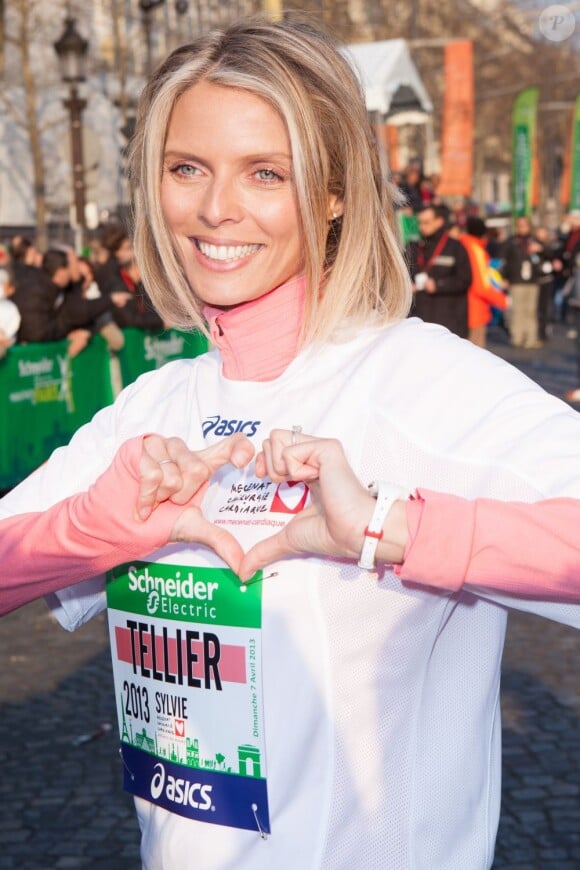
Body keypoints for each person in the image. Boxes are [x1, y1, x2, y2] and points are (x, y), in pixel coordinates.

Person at [4, 15, 580, 868]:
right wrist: (92, 529)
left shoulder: (422, 379)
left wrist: (391, 529)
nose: (213, 208)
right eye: (186, 168)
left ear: (335, 189)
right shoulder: (154, 405)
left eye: (265, 173)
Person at [406, 203, 472, 338]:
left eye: (426, 222)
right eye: (419, 223)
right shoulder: (413, 246)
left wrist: (439, 285)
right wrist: (407, 285)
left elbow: (465, 279)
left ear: (439, 222)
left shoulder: (455, 247)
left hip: (448, 320)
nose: (421, 227)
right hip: (419, 319)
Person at [460, 215, 509, 348]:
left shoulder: (461, 244)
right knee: (475, 354)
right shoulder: (476, 250)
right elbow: (481, 286)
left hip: (461, 309)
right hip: (475, 310)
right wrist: (503, 301)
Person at [501, 216, 544, 348]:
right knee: (517, 310)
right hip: (516, 280)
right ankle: (517, 337)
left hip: (533, 281)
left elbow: (548, 255)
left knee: (531, 311)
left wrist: (540, 250)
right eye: (520, 225)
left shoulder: (535, 241)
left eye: (525, 225)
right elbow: (502, 261)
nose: (522, 228)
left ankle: (530, 338)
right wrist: (503, 277)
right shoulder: (511, 241)